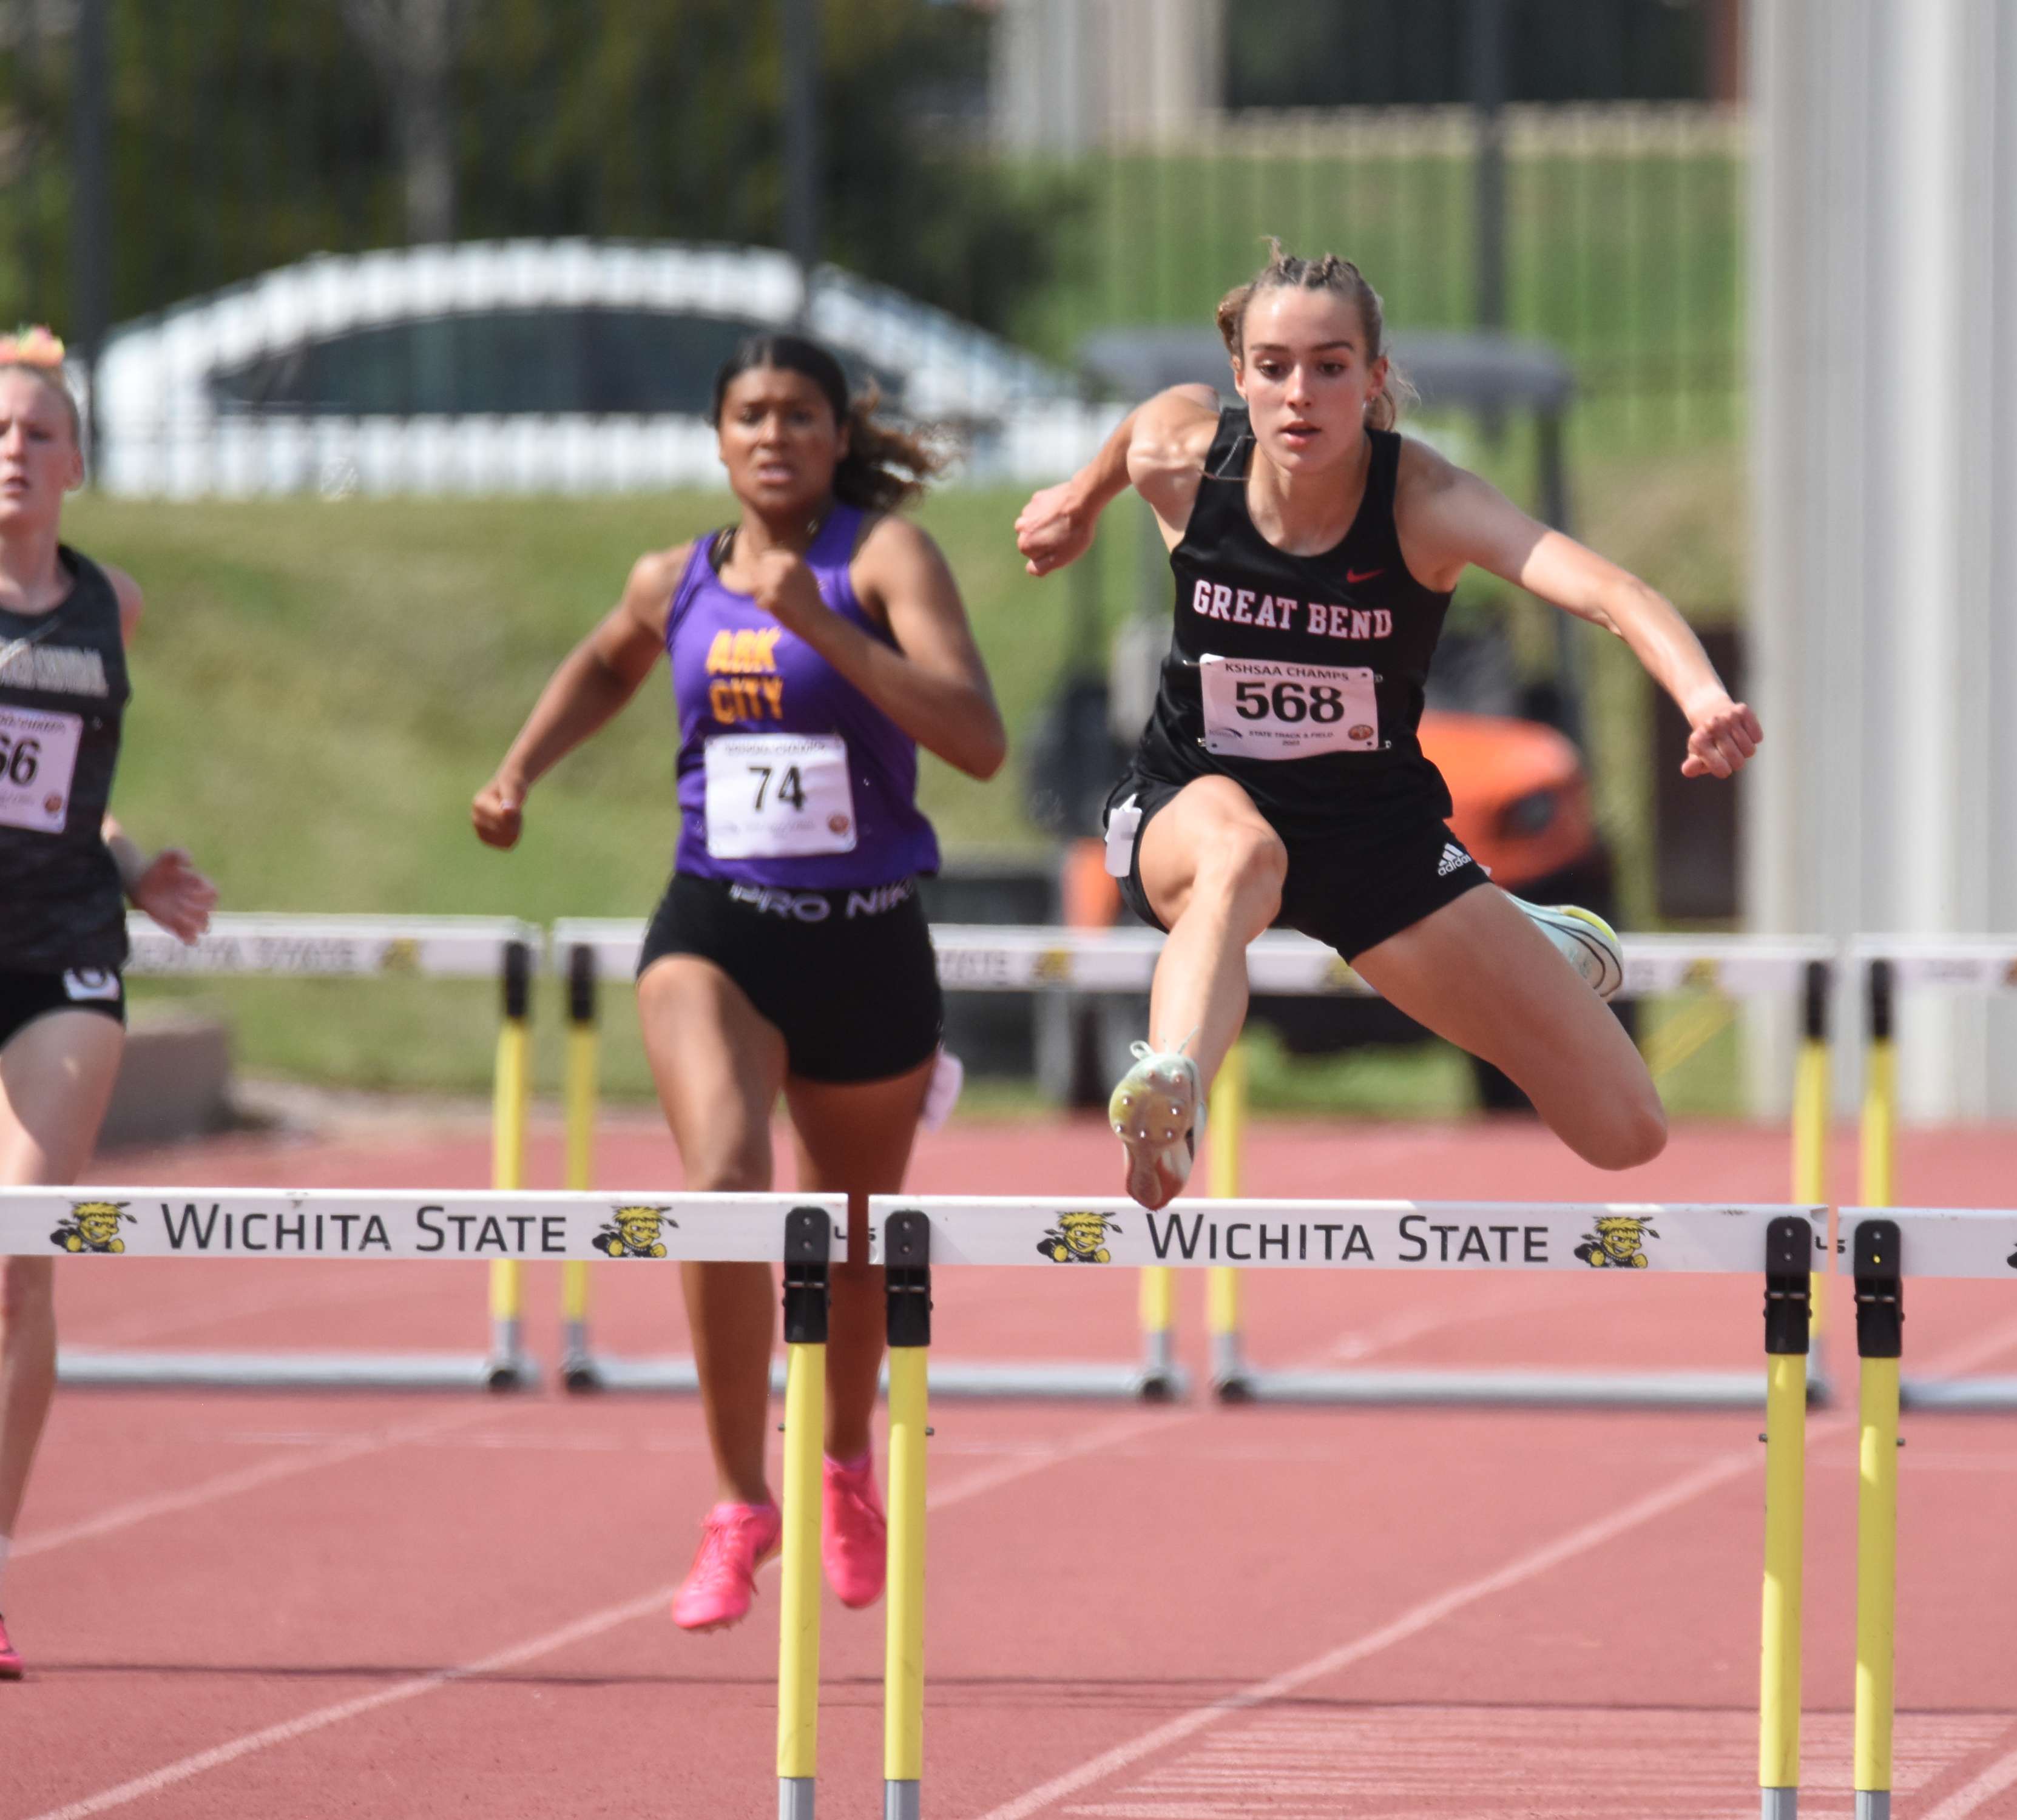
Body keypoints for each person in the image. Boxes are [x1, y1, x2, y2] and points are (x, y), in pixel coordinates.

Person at [1013, 246, 1757, 1208]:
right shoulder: (1187, 460)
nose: (1299, 395)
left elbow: (1610, 590)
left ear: (1372, 379)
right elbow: (1141, 431)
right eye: (1273, 367)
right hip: (1194, 803)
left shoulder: (1426, 503)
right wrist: (1076, 502)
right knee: (1240, 854)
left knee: (1626, 1132)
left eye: (1330, 367)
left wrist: (1702, 698)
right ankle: (1171, 1089)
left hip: (1373, 838)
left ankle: (1528, 928)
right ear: (1240, 377)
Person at [473, 334, 1002, 1633]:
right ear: (718, 438)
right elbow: (610, 659)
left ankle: (843, 1464)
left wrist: (831, 633)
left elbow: (977, 739)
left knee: (858, 1245)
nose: (774, 436)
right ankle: (735, 1500)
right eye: (751, 415)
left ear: (836, 437)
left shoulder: (883, 559)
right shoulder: (678, 578)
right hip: (719, 926)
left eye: (801, 416)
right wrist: (518, 770)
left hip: (870, 938)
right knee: (718, 1183)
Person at [0, 327, 217, 1680]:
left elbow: (72, 788)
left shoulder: (109, 605)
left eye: (36, 435)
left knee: (19, 1259)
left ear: (76, 460)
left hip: (62, 958)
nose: (13, 455)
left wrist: (137, 867)